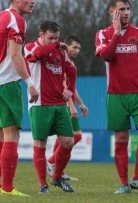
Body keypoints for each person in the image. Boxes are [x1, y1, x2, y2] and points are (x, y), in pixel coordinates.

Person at [95, 0, 138, 194]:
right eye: (121, 9)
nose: (126, 13)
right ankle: (124, 183)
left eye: (128, 9)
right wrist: (116, 33)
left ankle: (137, 178)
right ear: (111, 12)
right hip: (115, 95)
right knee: (121, 139)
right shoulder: (102, 34)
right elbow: (107, 55)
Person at [0, 0, 38, 197]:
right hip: (7, 83)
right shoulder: (17, 20)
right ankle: (7, 188)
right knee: (12, 135)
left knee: (0, 135)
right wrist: (30, 84)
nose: (33, 1)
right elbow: (16, 55)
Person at [24, 21, 77, 194]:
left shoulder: (60, 51)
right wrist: (55, 45)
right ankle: (43, 185)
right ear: (41, 35)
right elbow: (37, 54)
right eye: (50, 38)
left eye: (56, 37)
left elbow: (72, 70)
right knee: (40, 143)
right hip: (40, 104)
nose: (54, 40)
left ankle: (57, 176)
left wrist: (69, 89)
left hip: (59, 104)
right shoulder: (31, 47)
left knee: (68, 141)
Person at [47, 35, 89, 181]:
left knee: (68, 137)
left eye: (79, 48)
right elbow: (64, 87)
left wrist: (81, 103)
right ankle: (52, 162)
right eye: (74, 47)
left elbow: (72, 88)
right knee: (74, 136)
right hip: (64, 104)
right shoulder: (62, 61)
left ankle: (58, 169)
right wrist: (72, 106)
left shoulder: (70, 63)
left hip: (69, 103)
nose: (77, 50)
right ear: (67, 46)